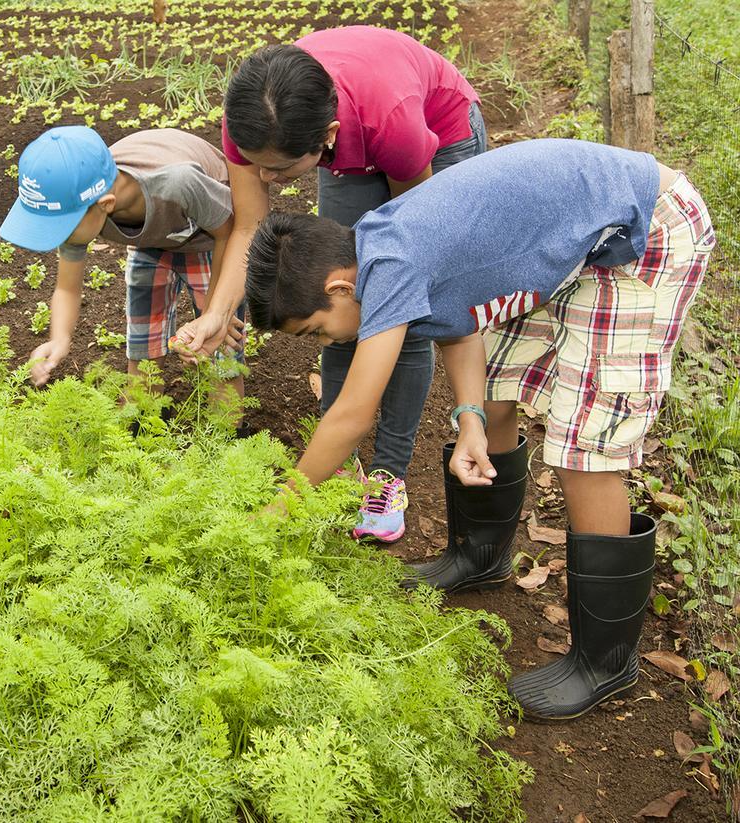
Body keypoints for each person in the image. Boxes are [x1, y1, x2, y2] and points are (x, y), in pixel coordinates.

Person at [243, 138, 715, 720]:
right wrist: (468, 418)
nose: (327, 343)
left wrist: (279, 510)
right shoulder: (380, 248)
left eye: (317, 330)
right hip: (582, 238)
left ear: (340, 287)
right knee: (495, 395)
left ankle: (606, 660)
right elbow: (461, 322)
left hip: (647, 229)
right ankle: (480, 555)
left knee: (582, 450)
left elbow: (351, 415)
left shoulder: (389, 263)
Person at [176, 26, 485, 543]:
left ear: (328, 137)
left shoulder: (392, 125)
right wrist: (217, 313)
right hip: (345, 130)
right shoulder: (253, 125)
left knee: (397, 313)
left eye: (277, 170)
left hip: (435, 133)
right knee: (339, 311)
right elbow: (250, 227)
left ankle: (388, 475)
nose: (265, 178)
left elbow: (413, 248)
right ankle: (340, 463)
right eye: (256, 166)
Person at [0, 125, 245, 417]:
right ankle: (141, 428)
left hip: (212, 241)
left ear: (105, 205)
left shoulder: (176, 183)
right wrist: (59, 339)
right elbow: (66, 287)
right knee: (143, 352)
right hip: (150, 243)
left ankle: (227, 435)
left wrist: (217, 312)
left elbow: (230, 233)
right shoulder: (81, 200)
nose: (58, 237)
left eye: (61, 227)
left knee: (218, 356)